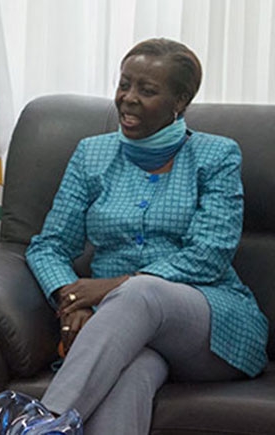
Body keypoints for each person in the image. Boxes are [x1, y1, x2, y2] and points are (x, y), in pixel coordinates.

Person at [25, 38, 268, 434]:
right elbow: (49, 246)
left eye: (147, 90)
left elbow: (209, 254)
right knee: (129, 375)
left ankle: (38, 426)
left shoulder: (217, 155)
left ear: (181, 100)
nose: (128, 98)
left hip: (211, 322)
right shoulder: (91, 154)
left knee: (140, 294)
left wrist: (110, 288)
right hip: (120, 328)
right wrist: (70, 298)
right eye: (124, 84)